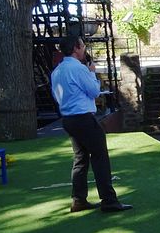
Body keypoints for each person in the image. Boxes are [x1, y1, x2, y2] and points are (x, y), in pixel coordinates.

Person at [50, 35, 132, 213]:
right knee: (100, 157)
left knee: (80, 159)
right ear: (75, 48)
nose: (84, 49)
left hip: (69, 119)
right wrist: (92, 72)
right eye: (82, 46)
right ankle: (109, 201)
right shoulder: (78, 69)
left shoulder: (57, 71)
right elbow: (94, 92)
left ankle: (78, 199)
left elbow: (56, 96)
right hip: (83, 118)